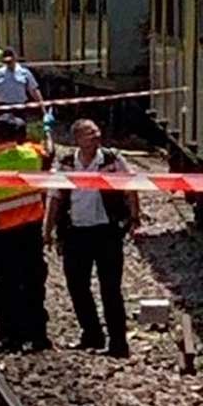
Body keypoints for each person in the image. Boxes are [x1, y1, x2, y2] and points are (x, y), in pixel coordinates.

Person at [44, 119, 140, 358]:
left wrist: (134, 216)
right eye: (89, 133)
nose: (96, 135)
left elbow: (130, 187)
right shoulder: (66, 164)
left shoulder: (111, 159)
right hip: (76, 233)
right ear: (77, 139)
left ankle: (118, 343)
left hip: (107, 232)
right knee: (77, 286)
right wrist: (48, 230)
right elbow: (55, 197)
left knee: (111, 289)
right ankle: (92, 335)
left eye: (97, 131)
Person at [0, 114, 51, 352]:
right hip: (31, 230)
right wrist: (47, 131)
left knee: (4, 286)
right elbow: (49, 155)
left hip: (1, 234)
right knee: (33, 283)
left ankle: (11, 335)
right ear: (22, 135)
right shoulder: (35, 156)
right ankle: (38, 335)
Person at [0, 48, 45, 118]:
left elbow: (34, 90)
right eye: (6, 62)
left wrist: (42, 108)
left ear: (15, 58)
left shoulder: (24, 72)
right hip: (2, 108)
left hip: (20, 108)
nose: (8, 63)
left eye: (10, 61)